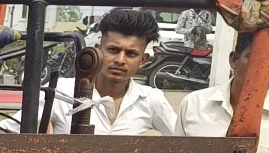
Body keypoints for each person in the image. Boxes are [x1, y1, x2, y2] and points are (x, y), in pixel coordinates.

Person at [47, 7, 181, 134]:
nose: (120, 60)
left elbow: (184, 140)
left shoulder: (151, 99)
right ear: (97, 50)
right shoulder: (60, 92)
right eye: (113, 50)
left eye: (131, 54)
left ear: (142, 60)